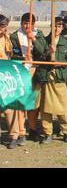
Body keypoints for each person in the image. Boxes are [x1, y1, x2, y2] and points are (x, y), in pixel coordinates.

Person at [33, 17, 67, 144]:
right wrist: (47, 53)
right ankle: (47, 133)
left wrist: (60, 63)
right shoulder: (44, 41)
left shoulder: (66, 42)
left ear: (62, 28)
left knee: (64, 106)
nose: (57, 29)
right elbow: (37, 57)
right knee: (46, 107)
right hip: (46, 77)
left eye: (60, 26)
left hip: (59, 78)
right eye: (55, 26)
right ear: (51, 26)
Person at [9, 13, 45, 142]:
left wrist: (33, 39)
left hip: (35, 71)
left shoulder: (39, 34)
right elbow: (12, 55)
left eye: (29, 23)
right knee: (20, 103)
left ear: (34, 24)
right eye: (24, 23)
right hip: (20, 71)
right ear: (21, 23)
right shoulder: (14, 36)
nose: (27, 25)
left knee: (33, 103)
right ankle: (20, 132)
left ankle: (33, 129)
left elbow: (43, 51)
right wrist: (22, 58)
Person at [0, 14, 26, 149]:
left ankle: (14, 136)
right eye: (1, 27)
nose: (2, 30)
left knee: (11, 109)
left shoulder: (9, 39)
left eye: (4, 27)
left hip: (7, 77)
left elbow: (14, 55)